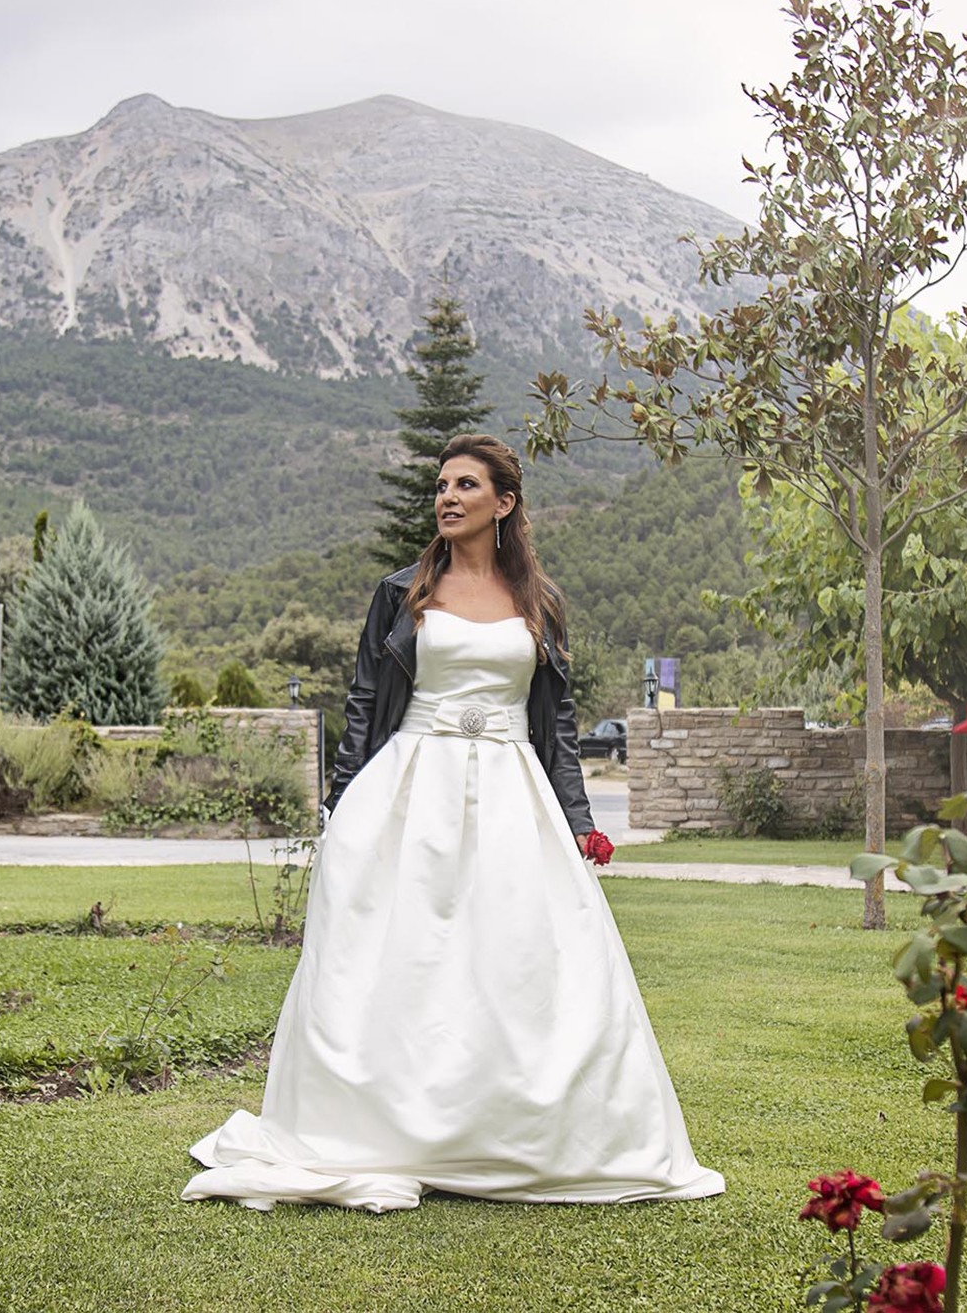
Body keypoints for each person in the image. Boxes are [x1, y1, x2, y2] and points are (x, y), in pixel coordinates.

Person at [180, 433, 724, 1213]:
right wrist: (339, 804)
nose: (448, 496)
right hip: (408, 790)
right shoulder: (399, 593)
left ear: (503, 504)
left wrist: (577, 819)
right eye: (441, 484)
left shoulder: (540, 602)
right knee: (402, 958)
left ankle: (513, 1127)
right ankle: (393, 1127)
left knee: (518, 957)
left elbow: (556, 722)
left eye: (466, 485)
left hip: (513, 794)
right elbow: (366, 704)